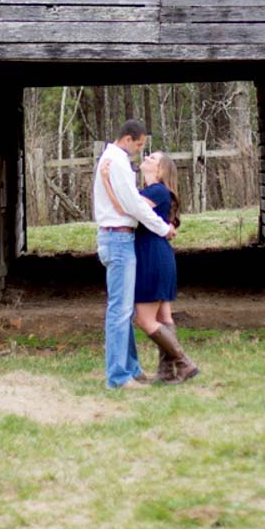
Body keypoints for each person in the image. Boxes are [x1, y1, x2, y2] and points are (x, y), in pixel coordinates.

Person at [93, 119, 177, 390]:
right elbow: (134, 206)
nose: (140, 151)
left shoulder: (113, 161)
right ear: (128, 139)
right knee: (119, 310)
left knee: (124, 309)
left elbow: (126, 203)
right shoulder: (117, 161)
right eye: (140, 145)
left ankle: (131, 368)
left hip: (117, 237)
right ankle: (118, 377)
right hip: (118, 238)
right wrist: (163, 228)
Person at [132, 151, 199, 383]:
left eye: (152, 158)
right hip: (160, 255)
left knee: (144, 320)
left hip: (151, 257)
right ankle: (166, 373)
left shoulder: (156, 191)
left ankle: (184, 362)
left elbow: (131, 208)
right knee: (163, 316)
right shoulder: (159, 192)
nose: (146, 158)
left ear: (160, 170)